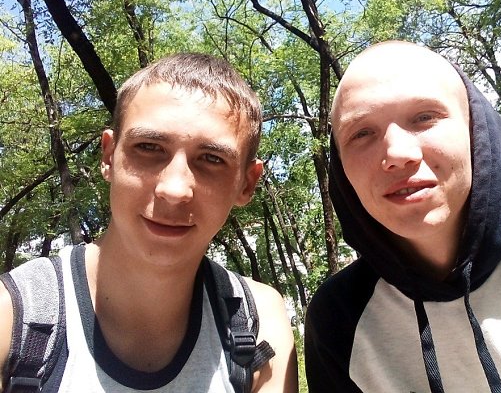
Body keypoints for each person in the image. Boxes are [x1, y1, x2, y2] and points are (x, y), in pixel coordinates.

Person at [304, 41, 501, 392]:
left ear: (476, 128)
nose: (397, 153)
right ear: (341, 168)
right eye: (362, 133)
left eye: (424, 117)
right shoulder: (337, 319)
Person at [0, 53, 298, 392]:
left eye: (212, 158)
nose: (174, 189)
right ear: (108, 156)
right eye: (148, 147)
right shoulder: (12, 319)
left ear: (247, 183)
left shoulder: (259, 322)